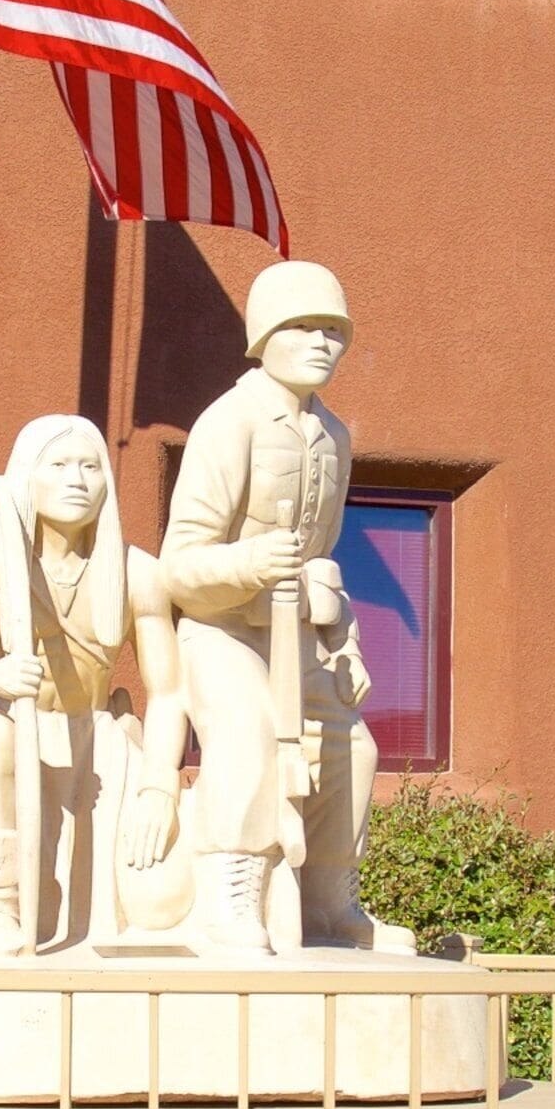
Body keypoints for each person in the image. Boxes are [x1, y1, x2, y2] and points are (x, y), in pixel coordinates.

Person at [158, 263, 386, 951]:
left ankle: (328, 903)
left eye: (334, 332)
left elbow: (322, 554)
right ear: (266, 337)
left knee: (354, 746)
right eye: (305, 328)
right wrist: (248, 565)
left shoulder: (334, 439)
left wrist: (336, 618)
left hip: (293, 638)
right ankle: (232, 894)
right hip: (219, 632)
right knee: (251, 734)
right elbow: (180, 566)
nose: (323, 343)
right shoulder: (229, 425)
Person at [0, 414, 190, 953]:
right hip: (6, 724)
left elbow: (168, 692)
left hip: (96, 739)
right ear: (29, 474)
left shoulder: (138, 573)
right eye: (60, 465)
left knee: (165, 895)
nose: (77, 479)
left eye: (91, 467)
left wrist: (160, 785)